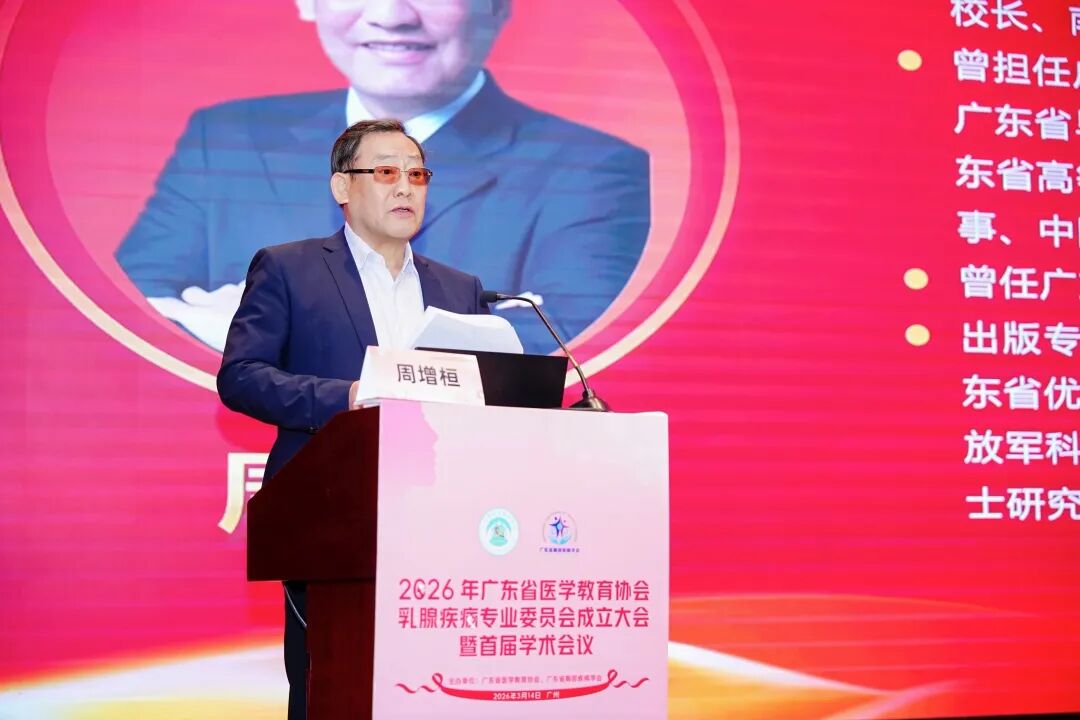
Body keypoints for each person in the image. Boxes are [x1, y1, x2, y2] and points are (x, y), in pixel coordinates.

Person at [115, 0, 650, 355]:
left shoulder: (591, 168)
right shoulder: (225, 137)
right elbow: (139, 307)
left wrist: (280, 330)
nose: (391, 15)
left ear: (499, 5)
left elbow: (564, 338)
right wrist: (458, 332)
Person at [217, 119, 489, 720]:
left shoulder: (460, 288)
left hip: (444, 520)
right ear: (343, 186)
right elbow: (241, 376)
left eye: (417, 174)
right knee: (332, 687)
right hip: (331, 517)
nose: (405, 187)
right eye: (386, 171)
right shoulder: (289, 269)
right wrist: (347, 398)